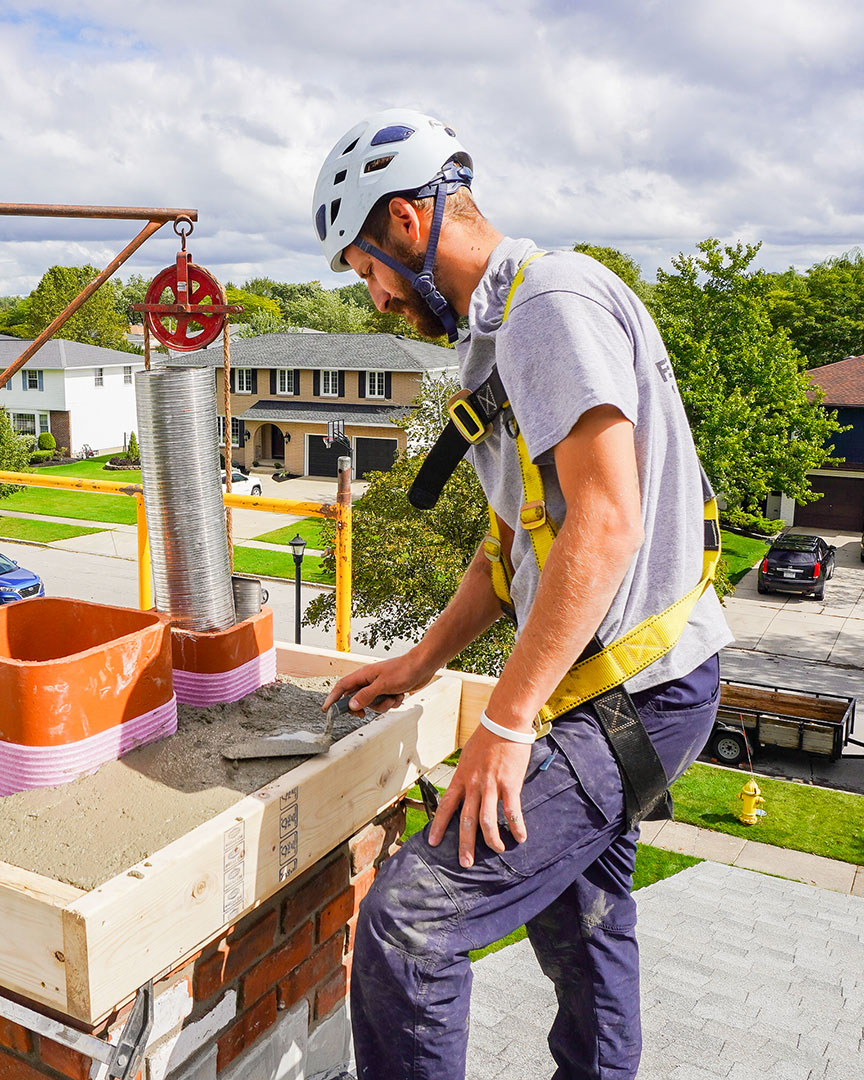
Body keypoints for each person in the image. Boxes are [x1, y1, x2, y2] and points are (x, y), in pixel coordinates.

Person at [313, 108, 733, 1080]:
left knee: (407, 929)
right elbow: (510, 559)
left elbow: (605, 522)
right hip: (627, 692)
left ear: (406, 225)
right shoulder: (495, 349)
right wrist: (416, 662)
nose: (375, 297)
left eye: (365, 267)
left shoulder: (552, 305)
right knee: (586, 936)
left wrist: (504, 727)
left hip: (636, 692)